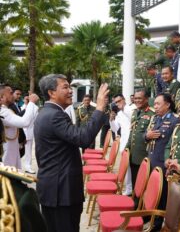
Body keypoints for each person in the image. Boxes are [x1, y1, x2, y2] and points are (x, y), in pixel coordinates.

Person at [34, 74, 109, 232]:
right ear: (51, 92)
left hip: (57, 188)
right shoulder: (54, 115)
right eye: (65, 87)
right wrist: (100, 108)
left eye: (70, 87)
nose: (70, 91)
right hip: (60, 192)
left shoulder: (48, 112)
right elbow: (83, 138)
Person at [0, 85, 39, 169]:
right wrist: (31, 102)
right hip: (7, 151)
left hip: (12, 148)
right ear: (2, 97)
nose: (13, 95)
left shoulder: (6, 109)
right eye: (10, 93)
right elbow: (24, 122)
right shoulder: (3, 112)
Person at [125, 89, 154, 187]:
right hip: (133, 155)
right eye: (135, 98)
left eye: (139, 98)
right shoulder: (135, 112)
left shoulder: (152, 114)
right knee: (135, 184)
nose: (136, 100)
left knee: (143, 186)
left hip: (144, 156)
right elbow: (132, 132)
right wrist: (127, 148)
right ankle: (134, 200)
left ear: (146, 99)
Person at [145, 93, 179, 170]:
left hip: (163, 162)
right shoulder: (155, 118)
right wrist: (147, 136)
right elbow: (145, 134)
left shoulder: (175, 120)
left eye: (158, 104)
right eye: (154, 104)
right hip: (151, 158)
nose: (155, 107)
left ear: (167, 105)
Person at [109, 94, 134, 195]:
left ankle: (132, 189)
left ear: (124, 100)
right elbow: (115, 129)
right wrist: (111, 119)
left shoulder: (131, 108)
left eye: (119, 101)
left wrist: (123, 108)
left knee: (132, 169)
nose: (117, 104)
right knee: (126, 168)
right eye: (116, 102)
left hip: (132, 143)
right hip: (124, 144)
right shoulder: (119, 114)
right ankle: (128, 189)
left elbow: (132, 118)